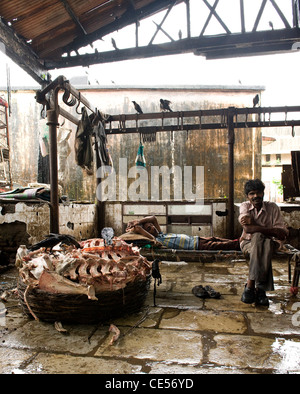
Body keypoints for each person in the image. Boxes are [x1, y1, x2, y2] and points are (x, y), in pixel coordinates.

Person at [238, 179, 289, 307]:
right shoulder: (244, 207)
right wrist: (272, 231)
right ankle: (261, 290)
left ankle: (250, 285)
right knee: (261, 240)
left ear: (263, 193)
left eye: (258, 192)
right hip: (248, 243)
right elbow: (248, 229)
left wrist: (257, 228)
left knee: (261, 239)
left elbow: (282, 234)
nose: (256, 196)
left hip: (272, 244)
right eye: (252, 193)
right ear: (247, 196)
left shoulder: (273, 208)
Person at [126, 215, 240, 251]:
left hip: (196, 239)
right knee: (225, 246)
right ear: (147, 233)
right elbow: (142, 232)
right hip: (196, 246)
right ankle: (241, 244)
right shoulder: (157, 241)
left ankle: (240, 242)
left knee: (218, 239)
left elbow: (153, 218)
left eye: (151, 226)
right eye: (149, 228)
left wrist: (140, 221)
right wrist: (137, 228)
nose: (153, 227)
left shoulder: (161, 234)